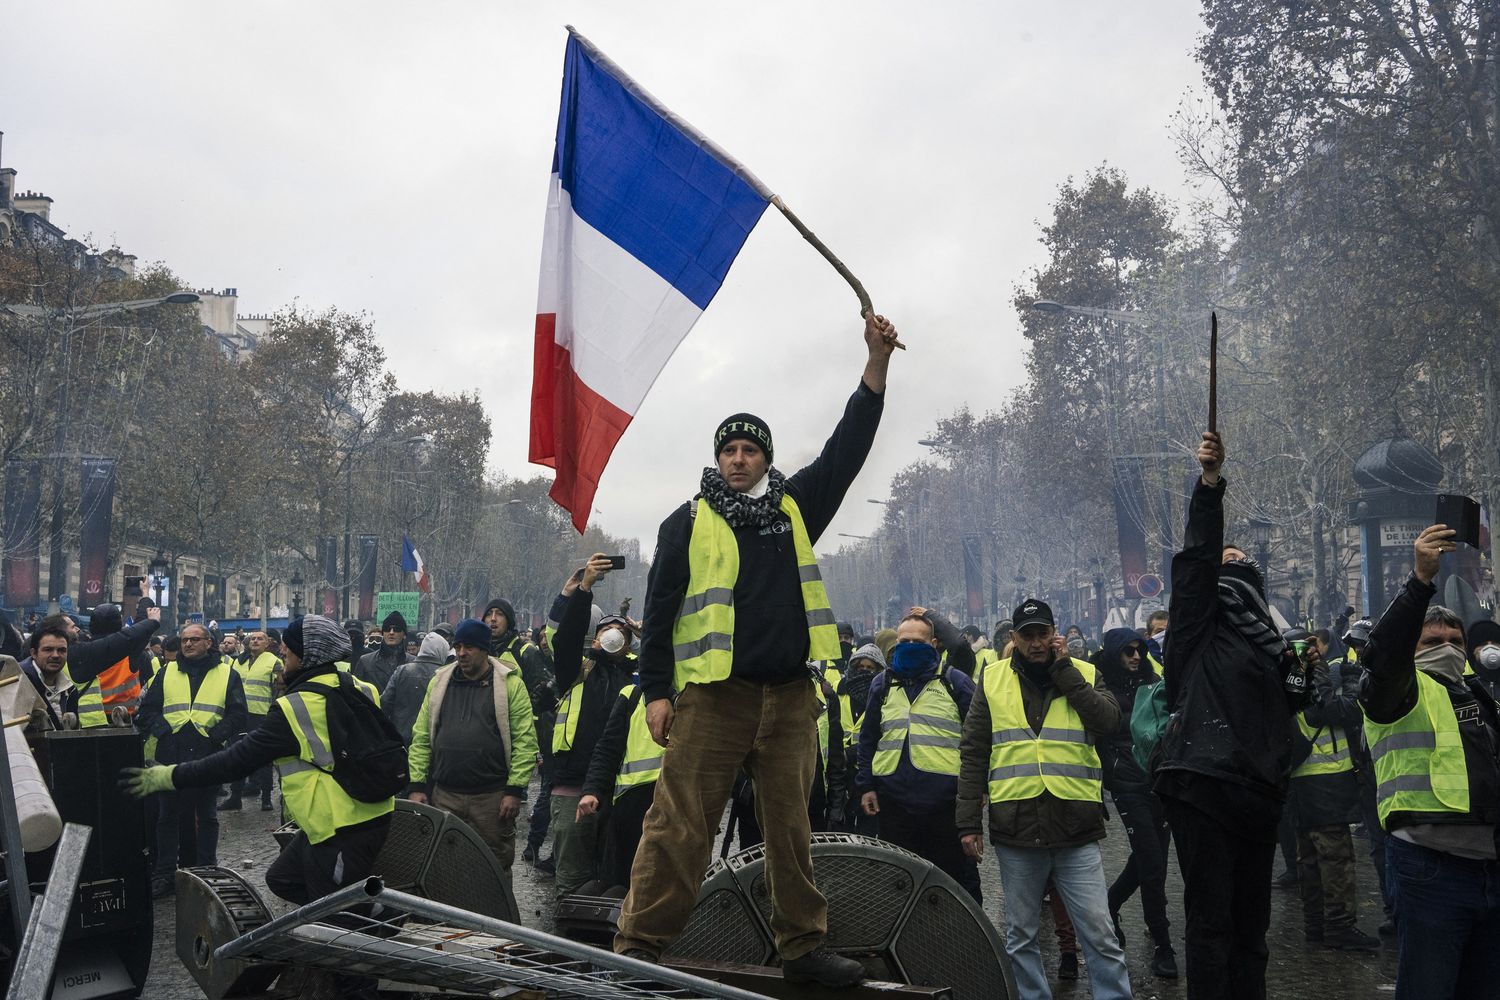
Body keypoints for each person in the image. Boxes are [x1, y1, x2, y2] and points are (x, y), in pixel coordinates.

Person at [613, 312, 899, 987]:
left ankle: (801, 947)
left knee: (791, 835)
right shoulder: (684, 522)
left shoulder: (797, 505)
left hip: (791, 699)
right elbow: (657, 619)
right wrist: (657, 692)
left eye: (750, 449)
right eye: (728, 450)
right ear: (717, 460)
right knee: (678, 829)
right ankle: (636, 948)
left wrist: (876, 364)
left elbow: (847, 449)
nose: (739, 459)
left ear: (766, 458)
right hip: (714, 699)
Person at [122, 615, 393, 1000]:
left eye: (290, 648)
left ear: (310, 655)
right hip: (353, 816)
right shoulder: (360, 685)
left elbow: (235, 762)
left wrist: (169, 776)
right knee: (282, 879)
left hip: (341, 827)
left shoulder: (298, 706)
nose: (282, 654)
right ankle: (370, 912)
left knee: (337, 933)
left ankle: (357, 982)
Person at [1153, 431, 1309, 1000]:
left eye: (1242, 559)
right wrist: (1210, 487)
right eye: (1227, 557)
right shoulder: (1198, 627)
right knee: (1212, 924)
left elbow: (1294, 703)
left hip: (1258, 792)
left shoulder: (1271, 642)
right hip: (1205, 785)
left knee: (1252, 929)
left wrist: (1303, 670)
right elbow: (1196, 560)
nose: (1234, 560)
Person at [956, 599, 1131, 1000]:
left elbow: (1108, 722)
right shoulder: (992, 679)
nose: (1036, 643)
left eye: (1043, 634)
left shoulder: (1084, 672)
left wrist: (1064, 672)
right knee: (1021, 936)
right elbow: (973, 752)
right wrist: (967, 822)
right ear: (1014, 639)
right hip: (1016, 828)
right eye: (1028, 635)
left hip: (1077, 827)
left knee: (1100, 934)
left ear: (1055, 635)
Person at [1359, 525, 1500, 1000]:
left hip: (1489, 866)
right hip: (1429, 862)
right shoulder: (1397, 689)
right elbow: (1384, 656)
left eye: (1453, 639)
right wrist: (1420, 581)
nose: (1445, 647)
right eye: (1429, 640)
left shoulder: (1480, 693)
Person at [857, 608, 980, 900]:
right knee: (897, 886)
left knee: (955, 887)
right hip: (894, 805)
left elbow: (979, 740)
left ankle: (961, 942)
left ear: (934, 644)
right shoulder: (882, 684)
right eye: (903, 641)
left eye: (917, 641)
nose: (909, 647)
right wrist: (866, 786)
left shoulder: (955, 682)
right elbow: (868, 739)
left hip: (945, 806)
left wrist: (978, 791)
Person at [407, 618, 537, 880]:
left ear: (485, 649)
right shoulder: (439, 683)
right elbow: (421, 737)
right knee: (442, 866)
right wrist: (417, 785)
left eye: (469, 647)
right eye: (458, 646)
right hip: (445, 795)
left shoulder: (510, 684)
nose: (462, 653)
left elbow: (525, 740)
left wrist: (514, 790)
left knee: (493, 869)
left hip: (491, 799)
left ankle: (494, 920)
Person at [134, 621, 248, 897]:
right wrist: (164, 731)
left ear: (208, 643)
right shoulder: (166, 671)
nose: (187, 644)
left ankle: (207, 869)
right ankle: (165, 874)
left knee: (207, 813)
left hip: (207, 751)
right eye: (184, 640)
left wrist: (214, 736)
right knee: (167, 815)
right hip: (170, 751)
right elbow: (147, 710)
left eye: (194, 640)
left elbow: (237, 713)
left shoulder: (227, 673)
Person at [548, 555, 637, 900]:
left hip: (621, 790)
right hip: (573, 785)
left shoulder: (640, 676)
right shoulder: (576, 670)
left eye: (620, 632)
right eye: (604, 630)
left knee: (617, 880)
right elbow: (566, 637)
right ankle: (565, 940)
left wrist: (649, 634)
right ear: (594, 638)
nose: (612, 636)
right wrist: (583, 589)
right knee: (572, 878)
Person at [1094, 627, 1176, 978]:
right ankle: (1163, 943)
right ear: (1114, 654)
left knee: (1149, 856)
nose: (1136, 656)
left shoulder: (1154, 684)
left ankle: (1110, 905)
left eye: (1140, 650)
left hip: (1158, 781)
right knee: (1153, 862)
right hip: (1125, 782)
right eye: (1128, 651)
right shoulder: (1101, 687)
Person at [71, 604, 160, 726]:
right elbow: (139, 634)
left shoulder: (84, 651)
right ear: (119, 623)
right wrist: (149, 615)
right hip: (126, 720)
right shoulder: (131, 651)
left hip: (89, 720)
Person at [223, 629, 282, 811]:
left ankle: (266, 797)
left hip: (262, 715)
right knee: (237, 755)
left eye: (260, 639)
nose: (255, 641)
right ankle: (235, 796)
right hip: (239, 716)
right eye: (253, 639)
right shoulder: (238, 662)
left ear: (267, 643)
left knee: (263, 758)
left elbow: (279, 688)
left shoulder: (274, 662)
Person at [381, 631, 452, 744]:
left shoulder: (402, 671)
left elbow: (385, 702)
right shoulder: (445, 674)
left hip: (400, 737)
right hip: (431, 739)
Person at [20, 621, 77, 733]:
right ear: (33, 653)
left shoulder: (70, 690)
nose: (56, 655)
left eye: (61, 650)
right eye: (48, 650)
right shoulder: (18, 681)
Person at [356, 611, 409, 694]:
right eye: (387, 629)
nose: (391, 633)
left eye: (396, 629)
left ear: (404, 634)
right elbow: (356, 694)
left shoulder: (413, 663)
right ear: (383, 633)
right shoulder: (365, 662)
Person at [1466, 619, 1500, 699]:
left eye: (1495, 643)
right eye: (1483, 644)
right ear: (1472, 651)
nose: (1490, 648)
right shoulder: (1468, 688)